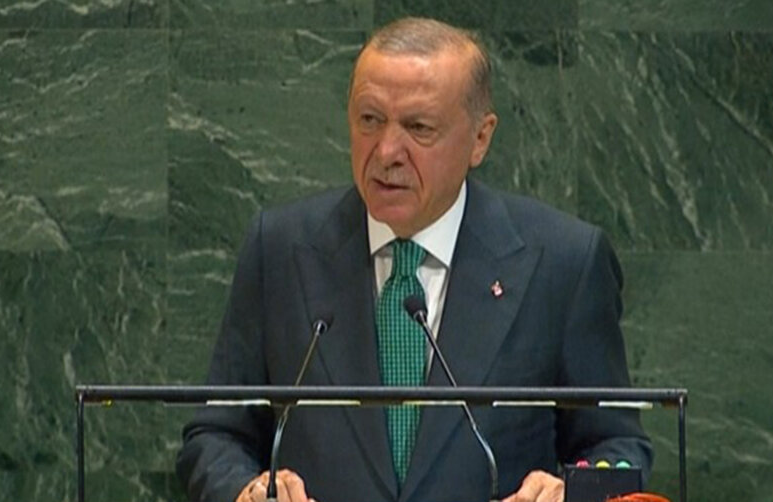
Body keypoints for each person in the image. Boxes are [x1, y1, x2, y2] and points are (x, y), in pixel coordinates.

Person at [176, 17, 652, 502]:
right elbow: (216, 436)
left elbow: (618, 448)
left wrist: (571, 492)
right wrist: (247, 490)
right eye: (369, 120)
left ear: (480, 138)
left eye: (418, 127)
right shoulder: (280, 248)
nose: (386, 151)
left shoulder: (564, 262)